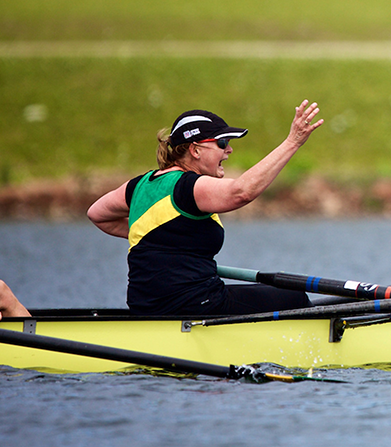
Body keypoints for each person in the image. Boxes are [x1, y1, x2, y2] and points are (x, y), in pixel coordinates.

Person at [86, 103, 324, 316]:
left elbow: (97, 214)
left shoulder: (139, 185)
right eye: (222, 143)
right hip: (195, 303)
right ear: (195, 150)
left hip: (144, 306)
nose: (229, 150)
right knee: (294, 297)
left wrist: (160, 238)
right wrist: (292, 142)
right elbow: (241, 192)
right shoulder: (189, 186)